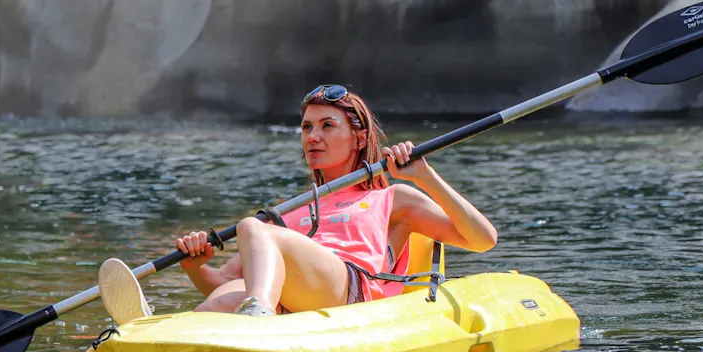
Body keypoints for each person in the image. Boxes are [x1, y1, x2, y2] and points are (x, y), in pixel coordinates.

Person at [174, 84, 498, 316]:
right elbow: (223, 281)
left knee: (251, 226)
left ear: (359, 138)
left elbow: (483, 239)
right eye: (307, 127)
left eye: (327, 126)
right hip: (298, 297)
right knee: (216, 303)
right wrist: (194, 266)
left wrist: (425, 177)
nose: (313, 137)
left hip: (351, 292)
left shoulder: (392, 199)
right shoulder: (288, 211)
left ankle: (258, 316)